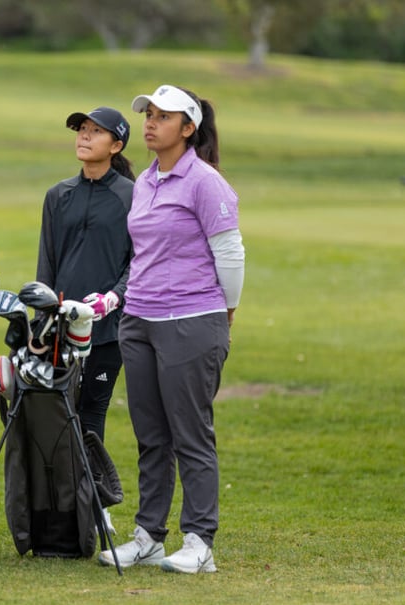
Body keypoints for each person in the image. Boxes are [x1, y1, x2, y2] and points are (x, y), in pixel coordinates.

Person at [98, 85, 244, 574]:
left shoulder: (205, 182)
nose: (150, 123)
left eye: (164, 117)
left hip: (191, 320)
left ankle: (200, 541)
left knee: (190, 434)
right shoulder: (146, 182)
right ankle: (149, 536)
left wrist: (226, 312)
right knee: (151, 436)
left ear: (188, 129)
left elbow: (229, 253)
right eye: (149, 115)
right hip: (140, 319)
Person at [35, 106, 135, 535]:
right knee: (58, 412)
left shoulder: (133, 196)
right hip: (61, 327)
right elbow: (48, 263)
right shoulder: (59, 195)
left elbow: (140, 262)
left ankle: (97, 503)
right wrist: (42, 319)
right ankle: (63, 503)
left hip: (109, 329)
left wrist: (115, 298)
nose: (85, 137)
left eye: (96, 132)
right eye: (81, 130)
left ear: (116, 145)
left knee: (90, 412)